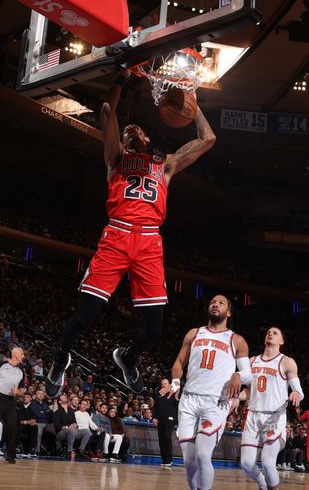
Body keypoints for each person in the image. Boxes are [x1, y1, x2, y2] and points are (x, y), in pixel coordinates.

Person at [46, 81, 217, 396]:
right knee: (85, 315)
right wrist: (119, 81)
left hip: (150, 243)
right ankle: (60, 359)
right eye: (127, 130)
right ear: (122, 141)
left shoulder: (165, 164)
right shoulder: (115, 158)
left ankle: (128, 357)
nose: (132, 129)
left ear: (147, 138)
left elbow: (208, 138)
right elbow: (108, 112)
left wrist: (192, 105)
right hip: (118, 236)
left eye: (138, 129)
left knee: (154, 330)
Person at [159, 295, 252, 490]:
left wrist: (238, 375)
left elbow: (248, 374)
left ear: (228, 312)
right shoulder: (194, 333)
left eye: (221, 303)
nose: (215, 304)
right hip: (189, 399)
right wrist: (176, 382)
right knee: (189, 460)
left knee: (202, 454)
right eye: (212, 302)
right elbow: (178, 363)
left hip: (216, 402)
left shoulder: (237, 340)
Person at [239, 327, 304, 490]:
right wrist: (234, 396)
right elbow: (248, 391)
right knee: (246, 463)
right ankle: (262, 484)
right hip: (253, 415)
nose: (270, 334)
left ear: (281, 341)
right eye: (268, 332)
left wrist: (295, 393)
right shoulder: (252, 361)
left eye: (275, 333)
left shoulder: (287, 362)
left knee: (268, 462)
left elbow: (299, 391)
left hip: (275, 417)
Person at [153, 377, 179, 467]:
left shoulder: (174, 394)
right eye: (162, 384)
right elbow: (155, 407)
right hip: (160, 420)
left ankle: (169, 459)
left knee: (167, 436)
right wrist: (154, 417)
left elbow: (177, 408)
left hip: (170, 419)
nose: (164, 385)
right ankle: (164, 459)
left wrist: (177, 420)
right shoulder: (158, 395)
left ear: (169, 385)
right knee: (161, 439)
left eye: (165, 384)